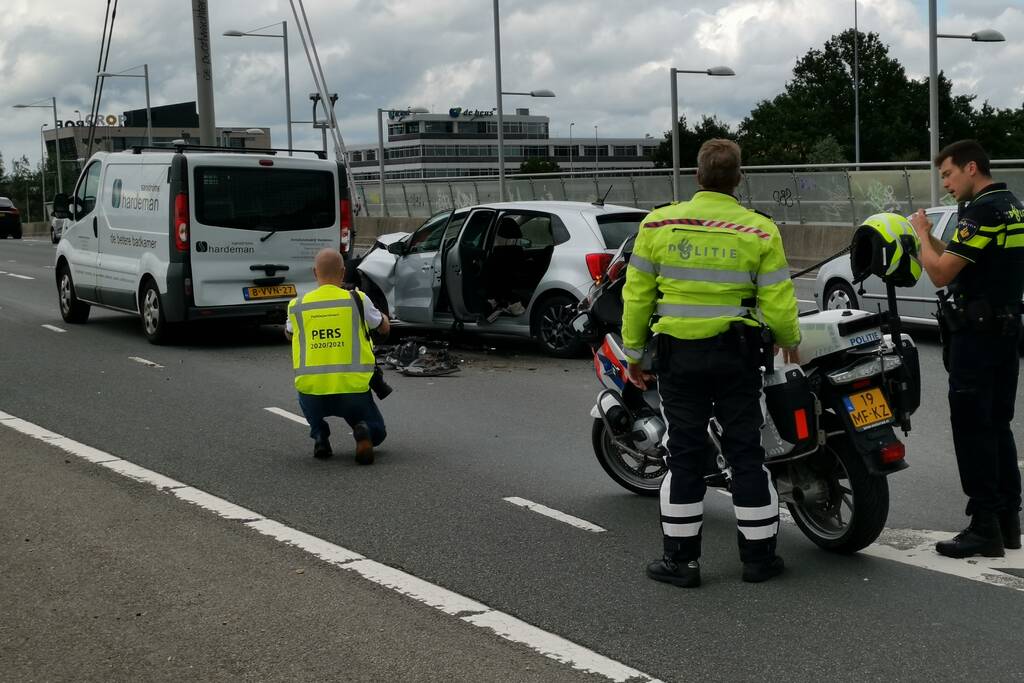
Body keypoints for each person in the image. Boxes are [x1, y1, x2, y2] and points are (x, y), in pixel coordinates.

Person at [621, 139, 801, 587]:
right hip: (736, 356)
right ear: (738, 178)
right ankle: (759, 560)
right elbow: (778, 296)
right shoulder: (760, 231)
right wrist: (788, 338)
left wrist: (634, 352)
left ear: (697, 177)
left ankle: (681, 562)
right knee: (746, 453)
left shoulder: (659, 223)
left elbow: (637, 295)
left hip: (678, 358)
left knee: (683, 456)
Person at [909, 139, 1024, 557]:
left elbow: (940, 275)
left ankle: (983, 528)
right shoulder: (1012, 205)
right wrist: (936, 242)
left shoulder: (982, 212)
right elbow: (962, 259)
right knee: (997, 427)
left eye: (948, 175)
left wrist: (921, 234)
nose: (946, 185)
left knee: (973, 431)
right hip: (1006, 332)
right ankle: (1008, 521)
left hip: (978, 339)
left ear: (971, 167)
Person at [285, 248, 390, 464]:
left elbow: (289, 333)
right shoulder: (358, 299)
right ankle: (363, 430)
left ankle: (320, 435)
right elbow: (383, 328)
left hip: (313, 392)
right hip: (352, 392)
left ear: (315, 273)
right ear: (343, 272)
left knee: (305, 394)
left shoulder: (297, 306)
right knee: (377, 432)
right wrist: (383, 317)